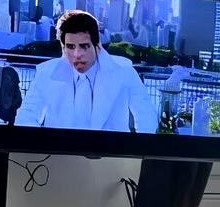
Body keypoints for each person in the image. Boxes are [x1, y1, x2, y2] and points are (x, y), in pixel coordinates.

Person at [15, 10, 157, 132]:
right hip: (59, 153)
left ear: (97, 45)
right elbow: (26, 117)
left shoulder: (124, 72)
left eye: (84, 46)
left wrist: (131, 151)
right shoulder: (46, 73)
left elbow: (146, 117)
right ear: (63, 47)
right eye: (70, 47)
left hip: (110, 154)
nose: (77, 54)